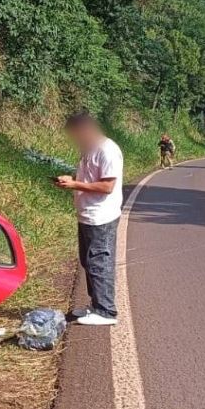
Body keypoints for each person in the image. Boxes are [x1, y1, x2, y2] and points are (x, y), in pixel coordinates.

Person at [55, 112, 124, 326]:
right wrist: (72, 180)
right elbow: (90, 178)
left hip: (101, 216)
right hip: (87, 214)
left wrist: (75, 185)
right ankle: (96, 305)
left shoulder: (107, 150)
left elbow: (107, 186)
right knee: (88, 261)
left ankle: (106, 311)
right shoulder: (89, 149)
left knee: (99, 262)